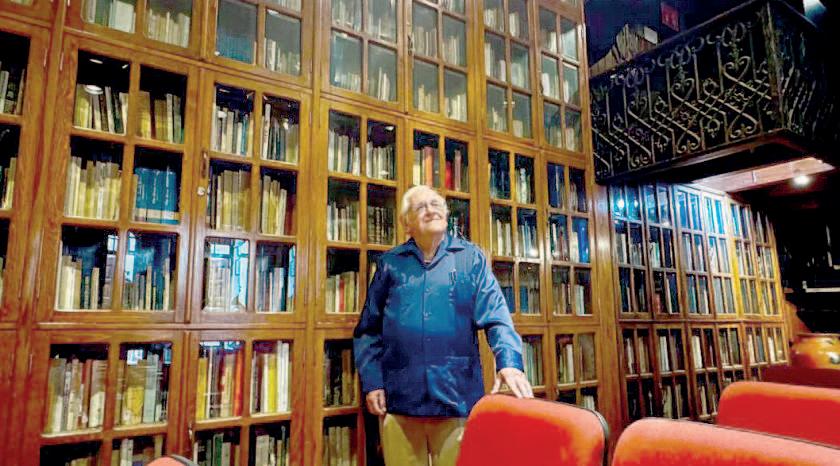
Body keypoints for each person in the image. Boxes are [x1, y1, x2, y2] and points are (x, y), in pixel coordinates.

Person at [353, 185, 533, 466]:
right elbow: (368, 330)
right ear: (406, 224)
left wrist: (509, 362)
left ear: (447, 214)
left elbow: (496, 315)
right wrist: (373, 382)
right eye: (420, 207)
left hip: (456, 399)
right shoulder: (390, 264)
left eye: (436, 204)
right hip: (400, 400)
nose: (430, 210)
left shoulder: (471, 259)